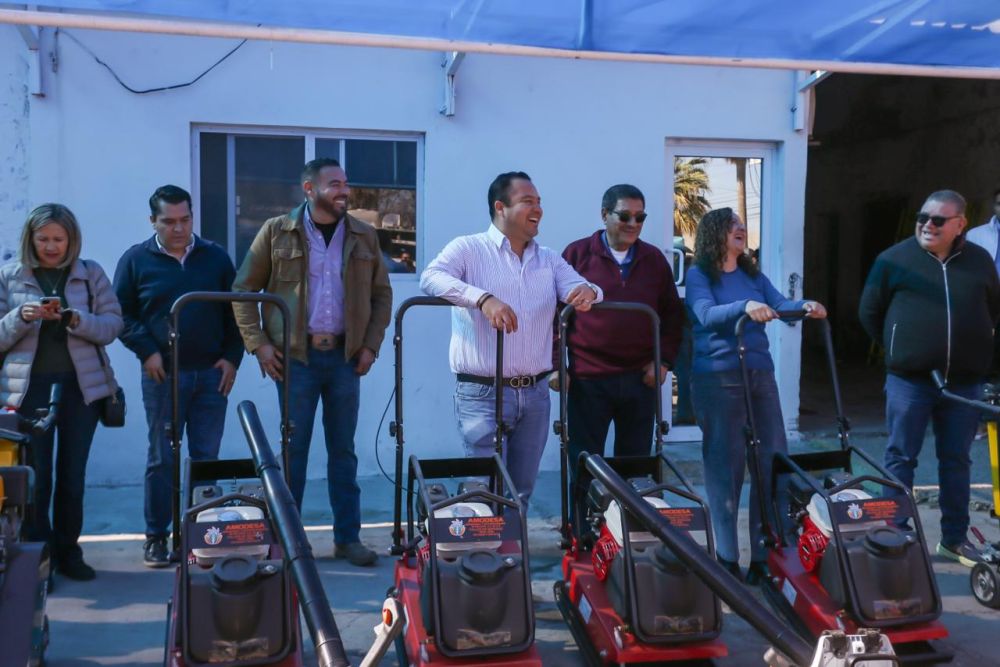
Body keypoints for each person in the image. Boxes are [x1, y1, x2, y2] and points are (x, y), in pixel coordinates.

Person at [232, 158, 392, 567]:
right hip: (295, 360)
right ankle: (289, 541)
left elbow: (381, 295)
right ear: (309, 189)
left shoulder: (363, 235)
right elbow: (243, 289)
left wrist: (370, 345)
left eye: (345, 183)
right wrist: (259, 345)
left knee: (344, 452)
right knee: (293, 453)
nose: (344, 191)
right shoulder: (276, 231)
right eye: (334, 184)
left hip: (344, 359)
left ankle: (347, 539)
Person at [420, 171, 601, 504]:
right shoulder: (468, 248)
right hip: (482, 391)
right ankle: (482, 538)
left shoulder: (548, 258)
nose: (538, 209)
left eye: (539, 202)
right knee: (483, 489)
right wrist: (483, 299)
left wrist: (588, 291)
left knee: (520, 491)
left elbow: (583, 287)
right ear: (500, 207)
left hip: (534, 393)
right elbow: (430, 277)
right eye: (527, 201)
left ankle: (515, 540)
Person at [859, 189, 1000, 567]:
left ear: (960, 224)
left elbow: (992, 311)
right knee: (900, 456)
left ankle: (954, 539)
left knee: (956, 461)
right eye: (923, 217)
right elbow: (870, 312)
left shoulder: (979, 261)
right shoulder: (893, 260)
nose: (927, 225)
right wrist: (901, 349)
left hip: (963, 384)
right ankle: (894, 534)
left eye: (938, 220)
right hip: (910, 382)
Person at [685, 207, 825, 584]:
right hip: (718, 377)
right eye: (733, 224)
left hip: (759, 375)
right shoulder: (699, 274)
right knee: (725, 468)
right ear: (715, 232)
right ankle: (727, 558)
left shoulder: (752, 275)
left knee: (772, 462)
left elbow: (779, 305)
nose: (741, 228)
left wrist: (804, 306)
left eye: (742, 225)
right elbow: (705, 314)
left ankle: (765, 556)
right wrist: (744, 308)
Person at [113, 185, 243, 567]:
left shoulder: (215, 257)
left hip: (212, 376)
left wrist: (232, 358)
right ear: (152, 221)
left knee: (206, 458)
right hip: (163, 377)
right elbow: (121, 314)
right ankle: (156, 537)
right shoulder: (136, 260)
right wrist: (147, 351)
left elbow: (237, 312)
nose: (179, 228)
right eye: (169, 221)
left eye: (185, 219)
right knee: (162, 458)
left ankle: (203, 537)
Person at [0, 204, 123, 581]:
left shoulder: (89, 274)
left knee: (72, 476)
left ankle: (70, 551)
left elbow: (113, 325)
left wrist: (75, 319)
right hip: (27, 392)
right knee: (36, 479)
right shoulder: (10, 275)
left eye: (58, 239)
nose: (51, 247)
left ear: (72, 240)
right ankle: (40, 559)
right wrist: (20, 317)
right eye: (43, 239)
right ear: (30, 239)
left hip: (80, 390)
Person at [556, 183, 683, 525]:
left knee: (635, 466)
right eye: (625, 216)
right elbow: (554, 316)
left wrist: (664, 361)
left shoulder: (654, 260)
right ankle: (583, 533)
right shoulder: (576, 255)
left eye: (640, 217)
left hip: (640, 380)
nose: (633, 224)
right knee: (586, 463)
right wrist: (557, 366)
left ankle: (629, 533)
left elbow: (673, 317)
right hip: (588, 379)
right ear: (604, 214)